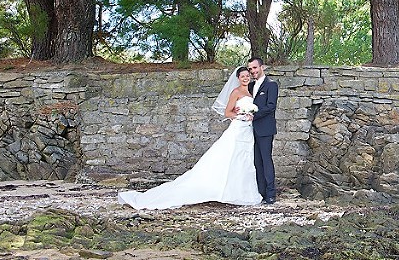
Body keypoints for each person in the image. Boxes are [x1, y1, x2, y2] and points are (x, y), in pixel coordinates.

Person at [117, 66, 262, 209]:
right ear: (238, 78)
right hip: (237, 129)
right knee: (230, 157)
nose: (245, 78)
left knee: (244, 159)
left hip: (248, 131)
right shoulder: (235, 92)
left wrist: (251, 115)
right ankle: (220, 190)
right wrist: (242, 115)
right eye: (242, 76)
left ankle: (241, 192)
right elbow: (227, 113)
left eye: (247, 75)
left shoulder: (251, 91)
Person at [247, 56, 279, 204]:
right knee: (256, 162)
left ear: (262, 67)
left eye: (255, 68)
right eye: (250, 69)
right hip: (250, 130)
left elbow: (271, 106)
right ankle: (261, 193)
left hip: (265, 129)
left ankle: (271, 194)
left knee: (266, 161)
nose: (252, 71)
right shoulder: (251, 86)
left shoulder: (271, 85)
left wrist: (254, 115)